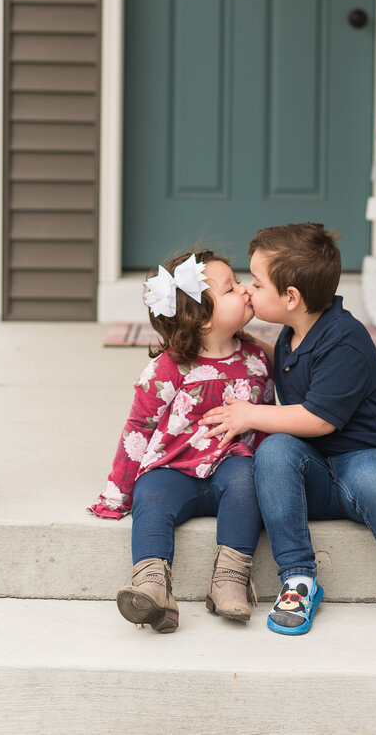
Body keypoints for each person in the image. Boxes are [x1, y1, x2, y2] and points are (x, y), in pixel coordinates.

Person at [202, 222, 376, 640]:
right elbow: (293, 367)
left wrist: (251, 414)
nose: (248, 291)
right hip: (315, 474)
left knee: (373, 480)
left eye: (256, 283)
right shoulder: (295, 332)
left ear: (290, 298)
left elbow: (318, 419)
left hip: (366, 463)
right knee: (274, 452)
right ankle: (298, 580)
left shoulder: (345, 340)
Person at [90, 248, 273, 633]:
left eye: (240, 282)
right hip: (173, 468)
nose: (244, 291)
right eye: (230, 289)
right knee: (151, 497)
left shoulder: (259, 357)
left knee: (248, 481)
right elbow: (137, 430)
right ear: (202, 321)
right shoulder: (168, 368)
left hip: (231, 461)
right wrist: (118, 493)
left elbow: (276, 409)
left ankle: (229, 579)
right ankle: (152, 586)